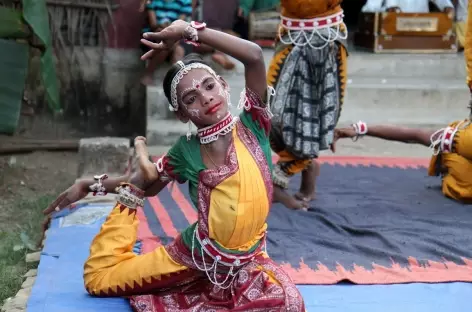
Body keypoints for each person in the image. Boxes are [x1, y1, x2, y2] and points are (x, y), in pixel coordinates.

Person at [44, 20, 305, 311]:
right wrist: (90, 185)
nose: (205, 98)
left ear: (222, 84)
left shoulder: (253, 124)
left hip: (250, 259)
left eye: (209, 86)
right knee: (100, 280)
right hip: (195, 256)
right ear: (182, 114)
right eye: (191, 98)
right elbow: (145, 182)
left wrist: (189, 31)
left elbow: (254, 55)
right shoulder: (186, 152)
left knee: (289, 304)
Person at [266, 0, 347, 210]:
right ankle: (306, 164)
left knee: (309, 118)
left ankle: (283, 176)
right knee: (270, 113)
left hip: (323, 40)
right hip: (290, 34)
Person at [140, 0, 193, 85]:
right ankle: (150, 72)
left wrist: (170, 31)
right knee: (165, 45)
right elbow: (153, 24)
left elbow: (179, 25)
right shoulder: (152, 1)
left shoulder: (184, 2)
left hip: (176, 35)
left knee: (178, 50)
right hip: (155, 34)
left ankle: (175, 81)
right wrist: (164, 30)